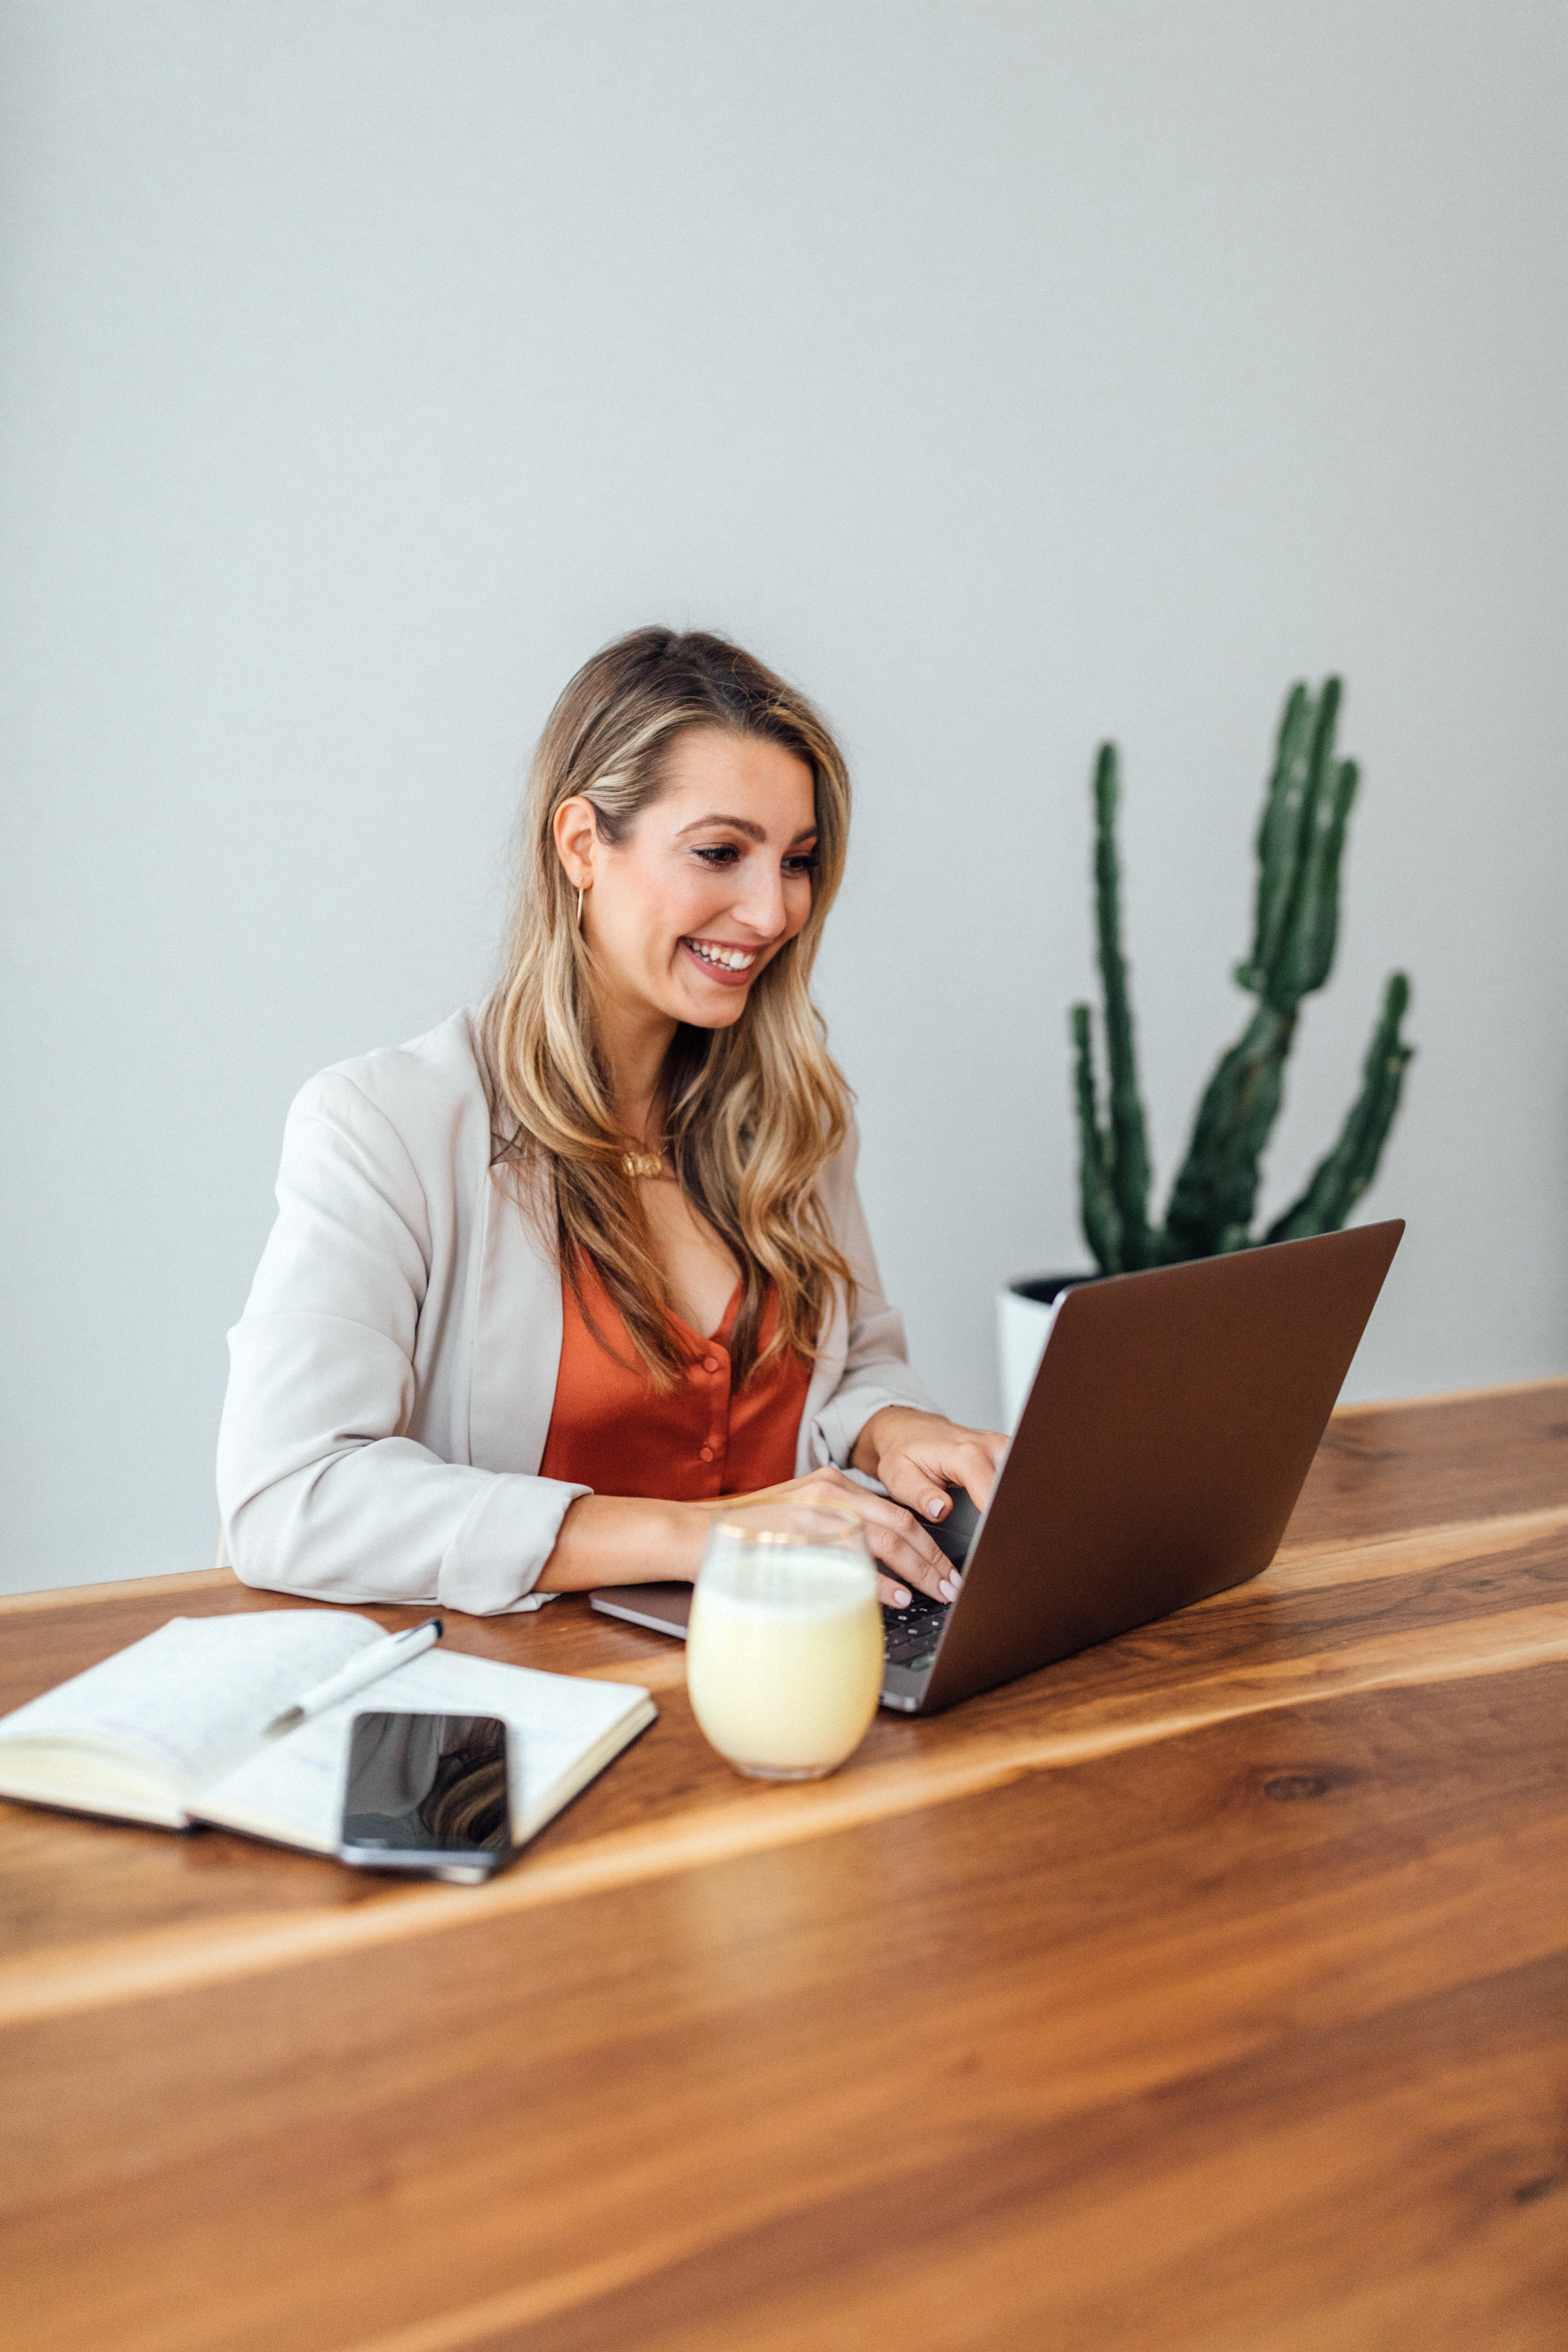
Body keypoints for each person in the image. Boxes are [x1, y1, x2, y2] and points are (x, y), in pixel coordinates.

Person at [217, 628, 1005, 1617]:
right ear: (583, 844)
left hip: (812, 1669)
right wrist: (702, 1536)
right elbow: (288, 1497)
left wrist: (891, 1426)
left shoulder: (799, 1117)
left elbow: (856, 1359)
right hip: (528, 1707)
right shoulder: (387, 1128)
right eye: (720, 852)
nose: (771, 912)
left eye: (797, 861)